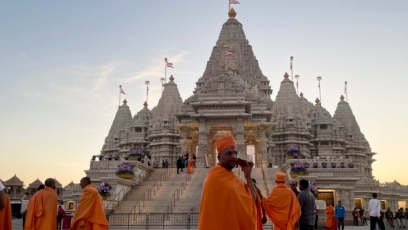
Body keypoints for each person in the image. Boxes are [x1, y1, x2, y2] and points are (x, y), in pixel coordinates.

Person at [198, 135, 258, 229]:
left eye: (235, 153)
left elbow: (252, 200)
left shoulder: (235, 178)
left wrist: (248, 177)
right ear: (219, 157)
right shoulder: (213, 178)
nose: (234, 157)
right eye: (229, 153)